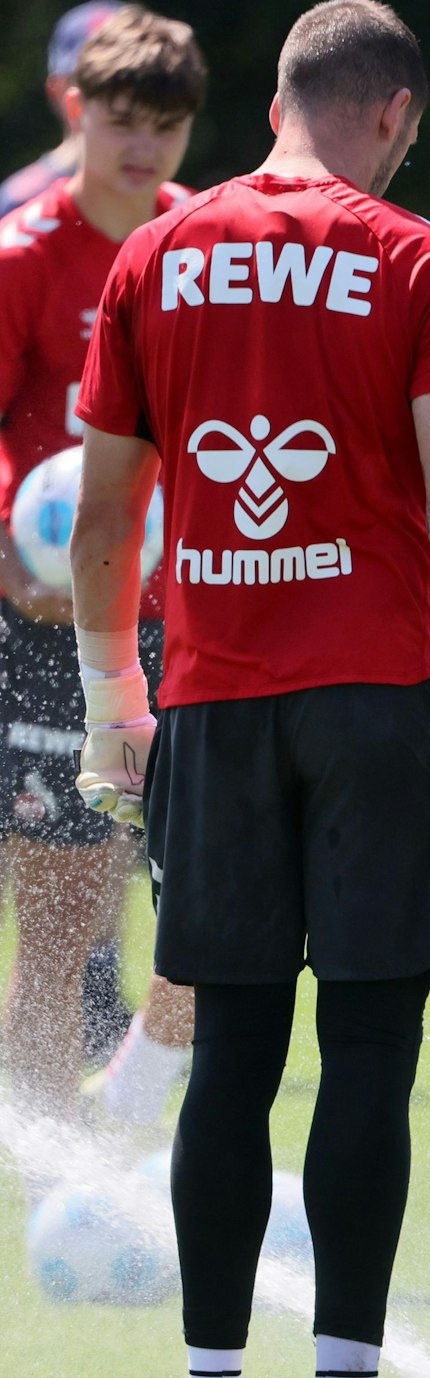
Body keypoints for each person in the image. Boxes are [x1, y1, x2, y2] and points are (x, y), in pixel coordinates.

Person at [71, 0, 430, 1378]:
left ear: (276, 101)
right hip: (379, 704)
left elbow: (102, 516)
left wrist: (112, 707)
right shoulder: (420, 258)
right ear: (394, 112)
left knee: (226, 1054)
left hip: (211, 699)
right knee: (368, 1052)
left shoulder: (154, 252)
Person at [0, 6, 203, 1122]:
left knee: (163, 906)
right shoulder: (24, 256)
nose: (143, 147)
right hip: (37, 621)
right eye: (122, 120)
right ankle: (37, 1165)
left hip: (180, 625)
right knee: (53, 918)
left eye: (167, 127)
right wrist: (12, 559)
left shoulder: (207, 250)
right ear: (74, 109)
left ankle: (87, 1138)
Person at [2, 0, 132, 1063]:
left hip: (137, 589)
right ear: (66, 96)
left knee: (109, 833)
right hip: (30, 591)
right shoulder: (21, 231)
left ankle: (96, 998)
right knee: (46, 847)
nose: (138, 137)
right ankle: (56, 1030)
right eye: (110, 101)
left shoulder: (181, 229)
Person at [0, 3, 123, 220]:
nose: (116, 98)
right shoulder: (17, 202)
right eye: (92, 81)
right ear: (57, 91)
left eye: (126, 79)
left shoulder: (169, 198)